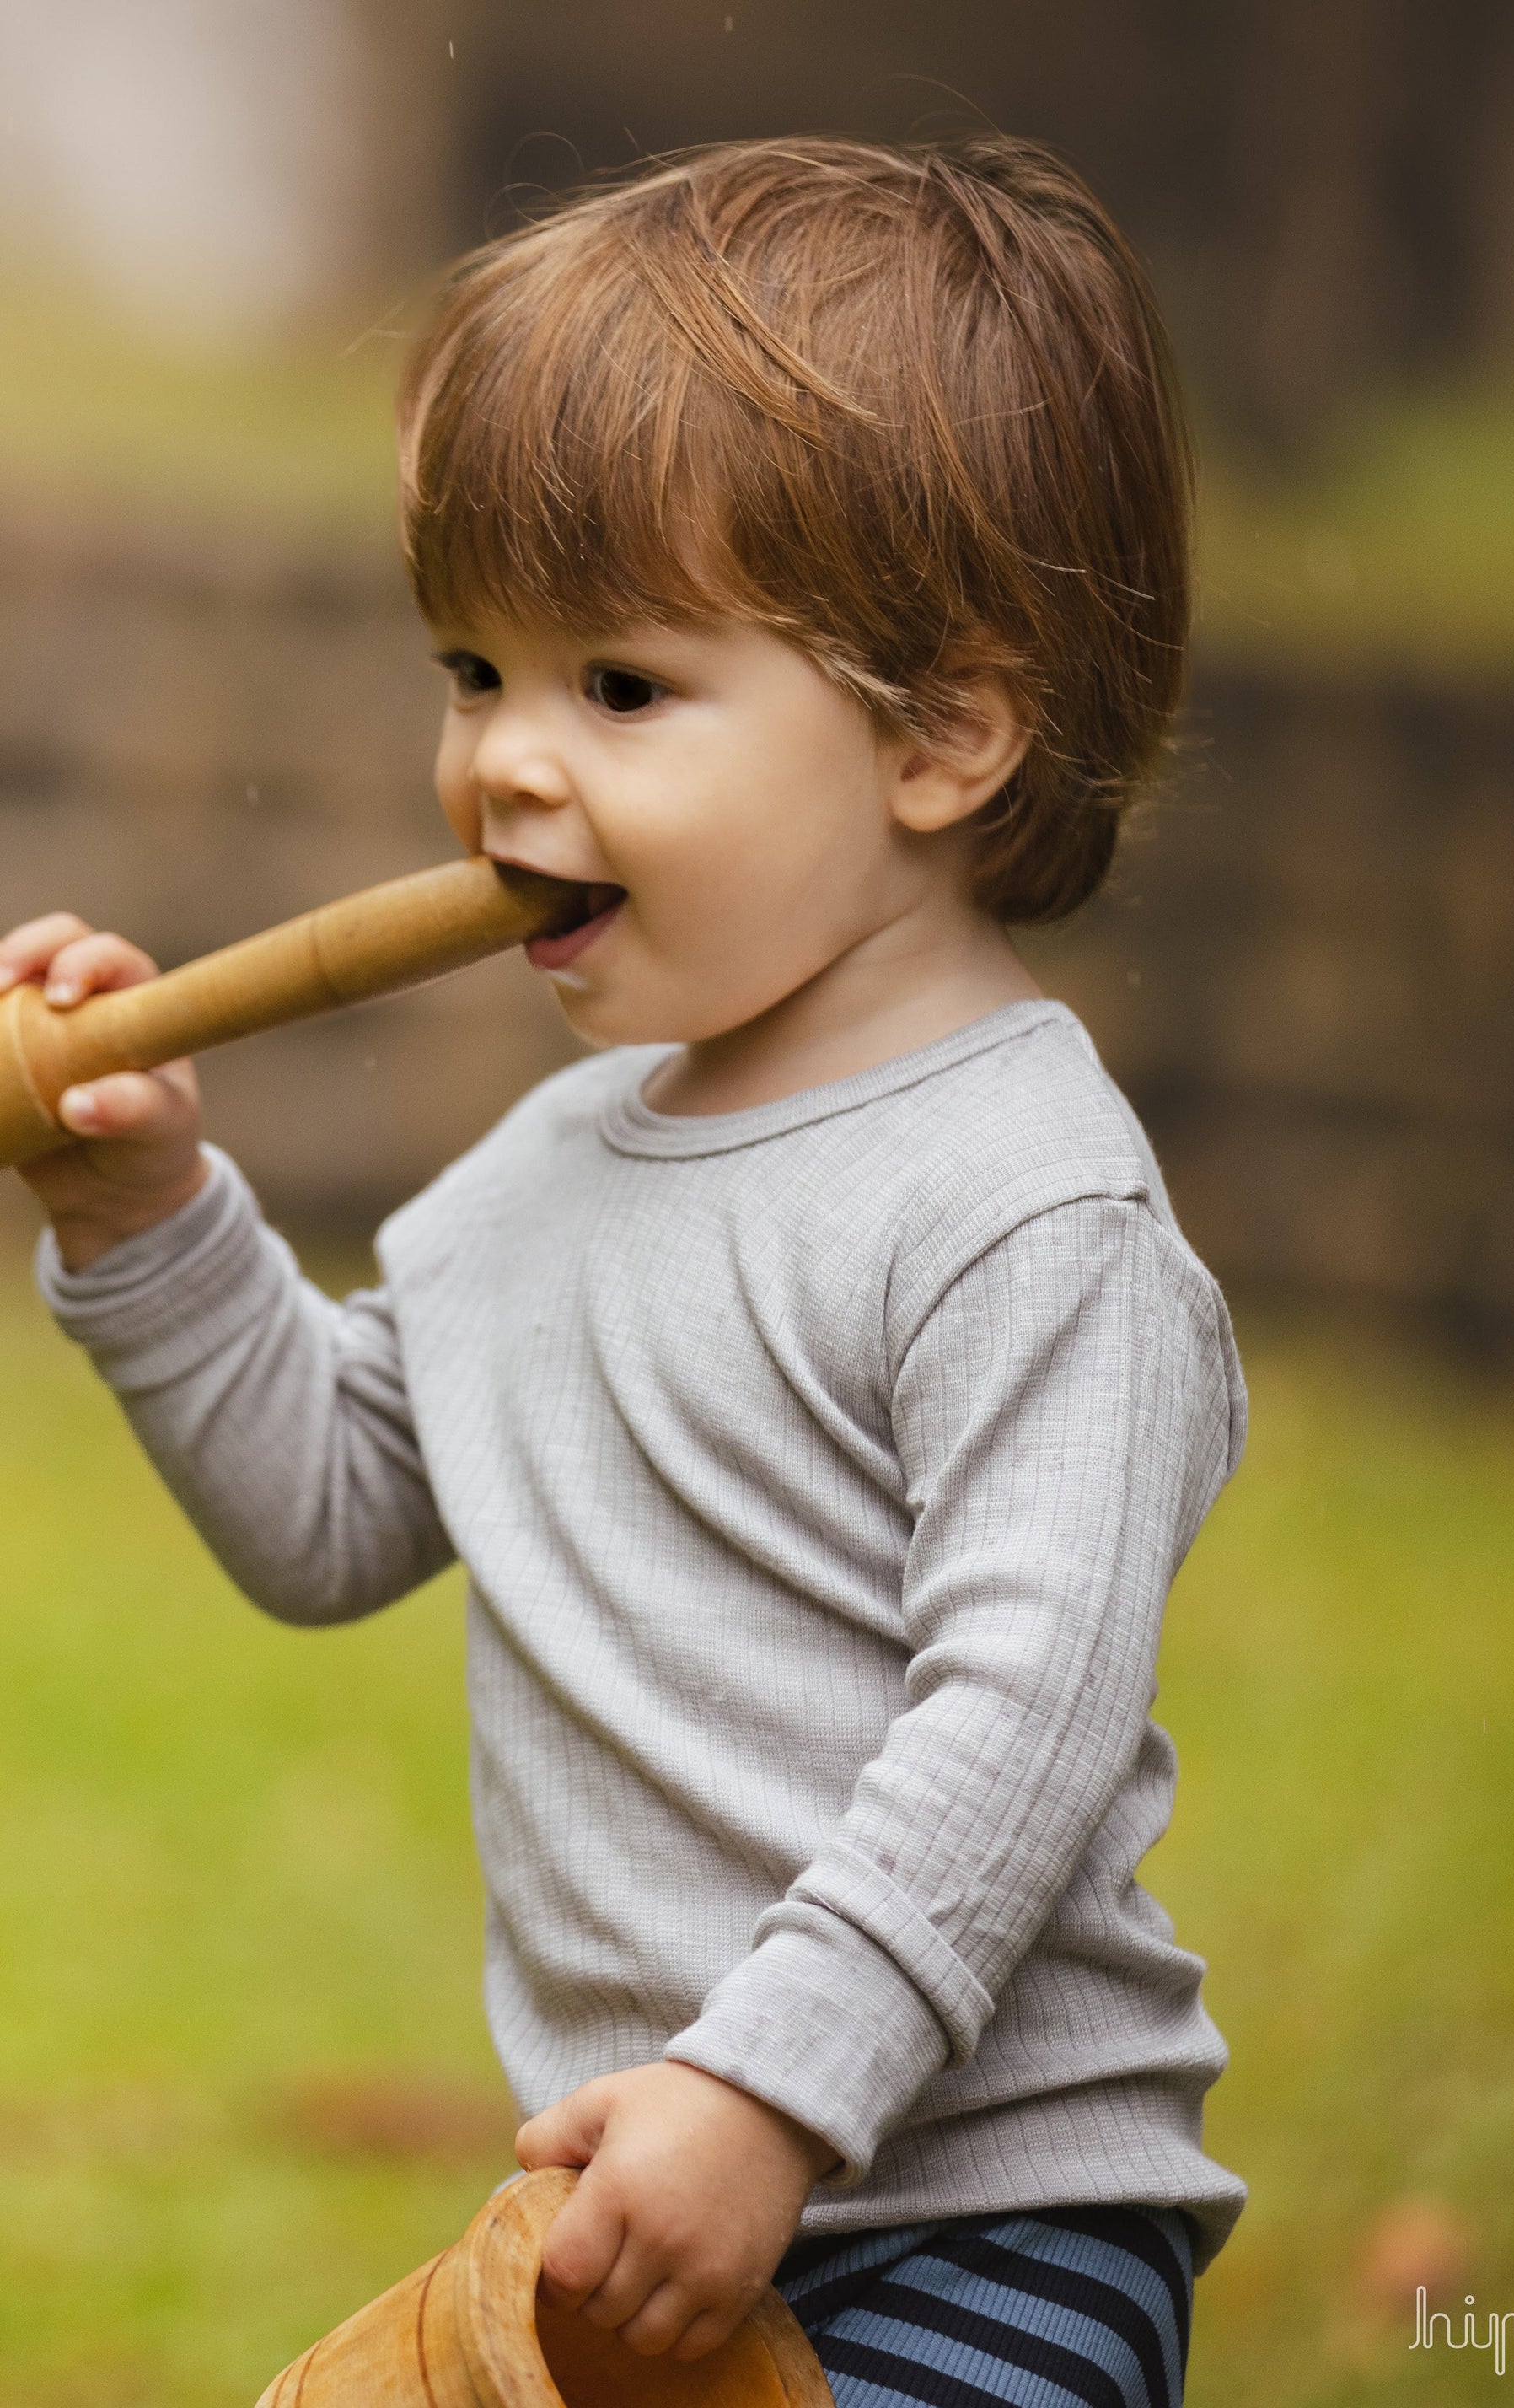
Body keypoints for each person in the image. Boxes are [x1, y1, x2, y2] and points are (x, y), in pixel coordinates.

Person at [3, 137, 1245, 2408]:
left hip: (982, 2223)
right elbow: (335, 1509)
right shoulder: (558, 1165)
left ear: (940, 735)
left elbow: (1027, 1720)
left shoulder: (1022, 1210)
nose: (501, 763)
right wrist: (140, 1209)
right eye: (476, 669)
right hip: (631, 2218)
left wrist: (771, 2088)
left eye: (624, 688)